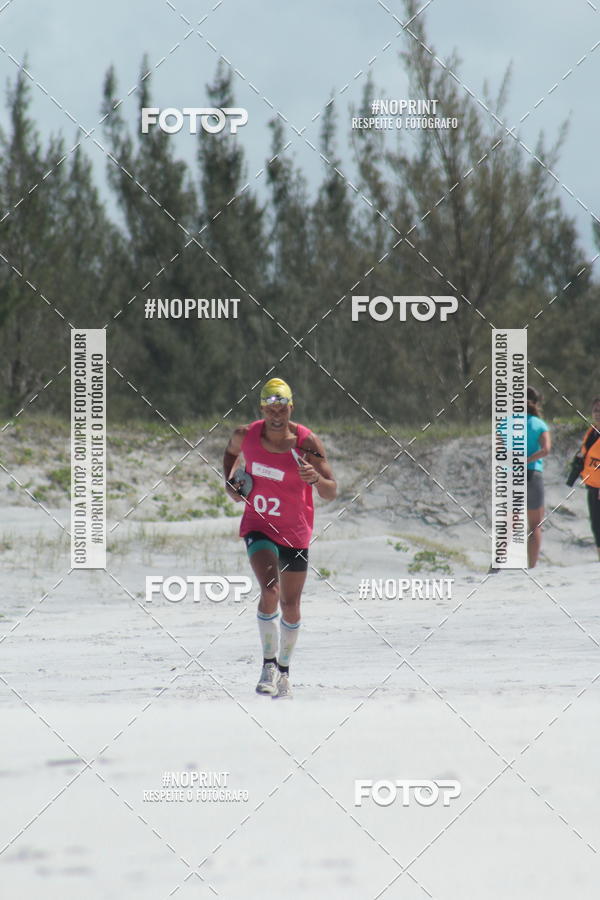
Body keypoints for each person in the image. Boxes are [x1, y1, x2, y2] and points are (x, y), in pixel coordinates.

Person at [223, 378, 337, 699]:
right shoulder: (245, 435)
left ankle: (284, 671)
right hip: (258, 525)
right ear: (262, 409)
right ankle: (268, 666)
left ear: (291, 408)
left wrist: (315, 479)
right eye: (270, 408)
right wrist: (230, 483)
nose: (276, 415)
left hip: (295, 531)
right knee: (270, 590)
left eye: (282, 408)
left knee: (291, 605)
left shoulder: (306, 442)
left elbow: (331, 490)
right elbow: (230, 454)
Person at [526, 387, 551, 568]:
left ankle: (497, 564)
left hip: (511, 475)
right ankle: (532, 566)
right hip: (533, 474)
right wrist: (528, 460)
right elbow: (546, 449)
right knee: (535, 525)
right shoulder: (539, 424)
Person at [578, 397, 600, 560]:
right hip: (592, 484)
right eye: (595, 410)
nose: (597, 413)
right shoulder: (592, 432)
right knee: (596, 525)